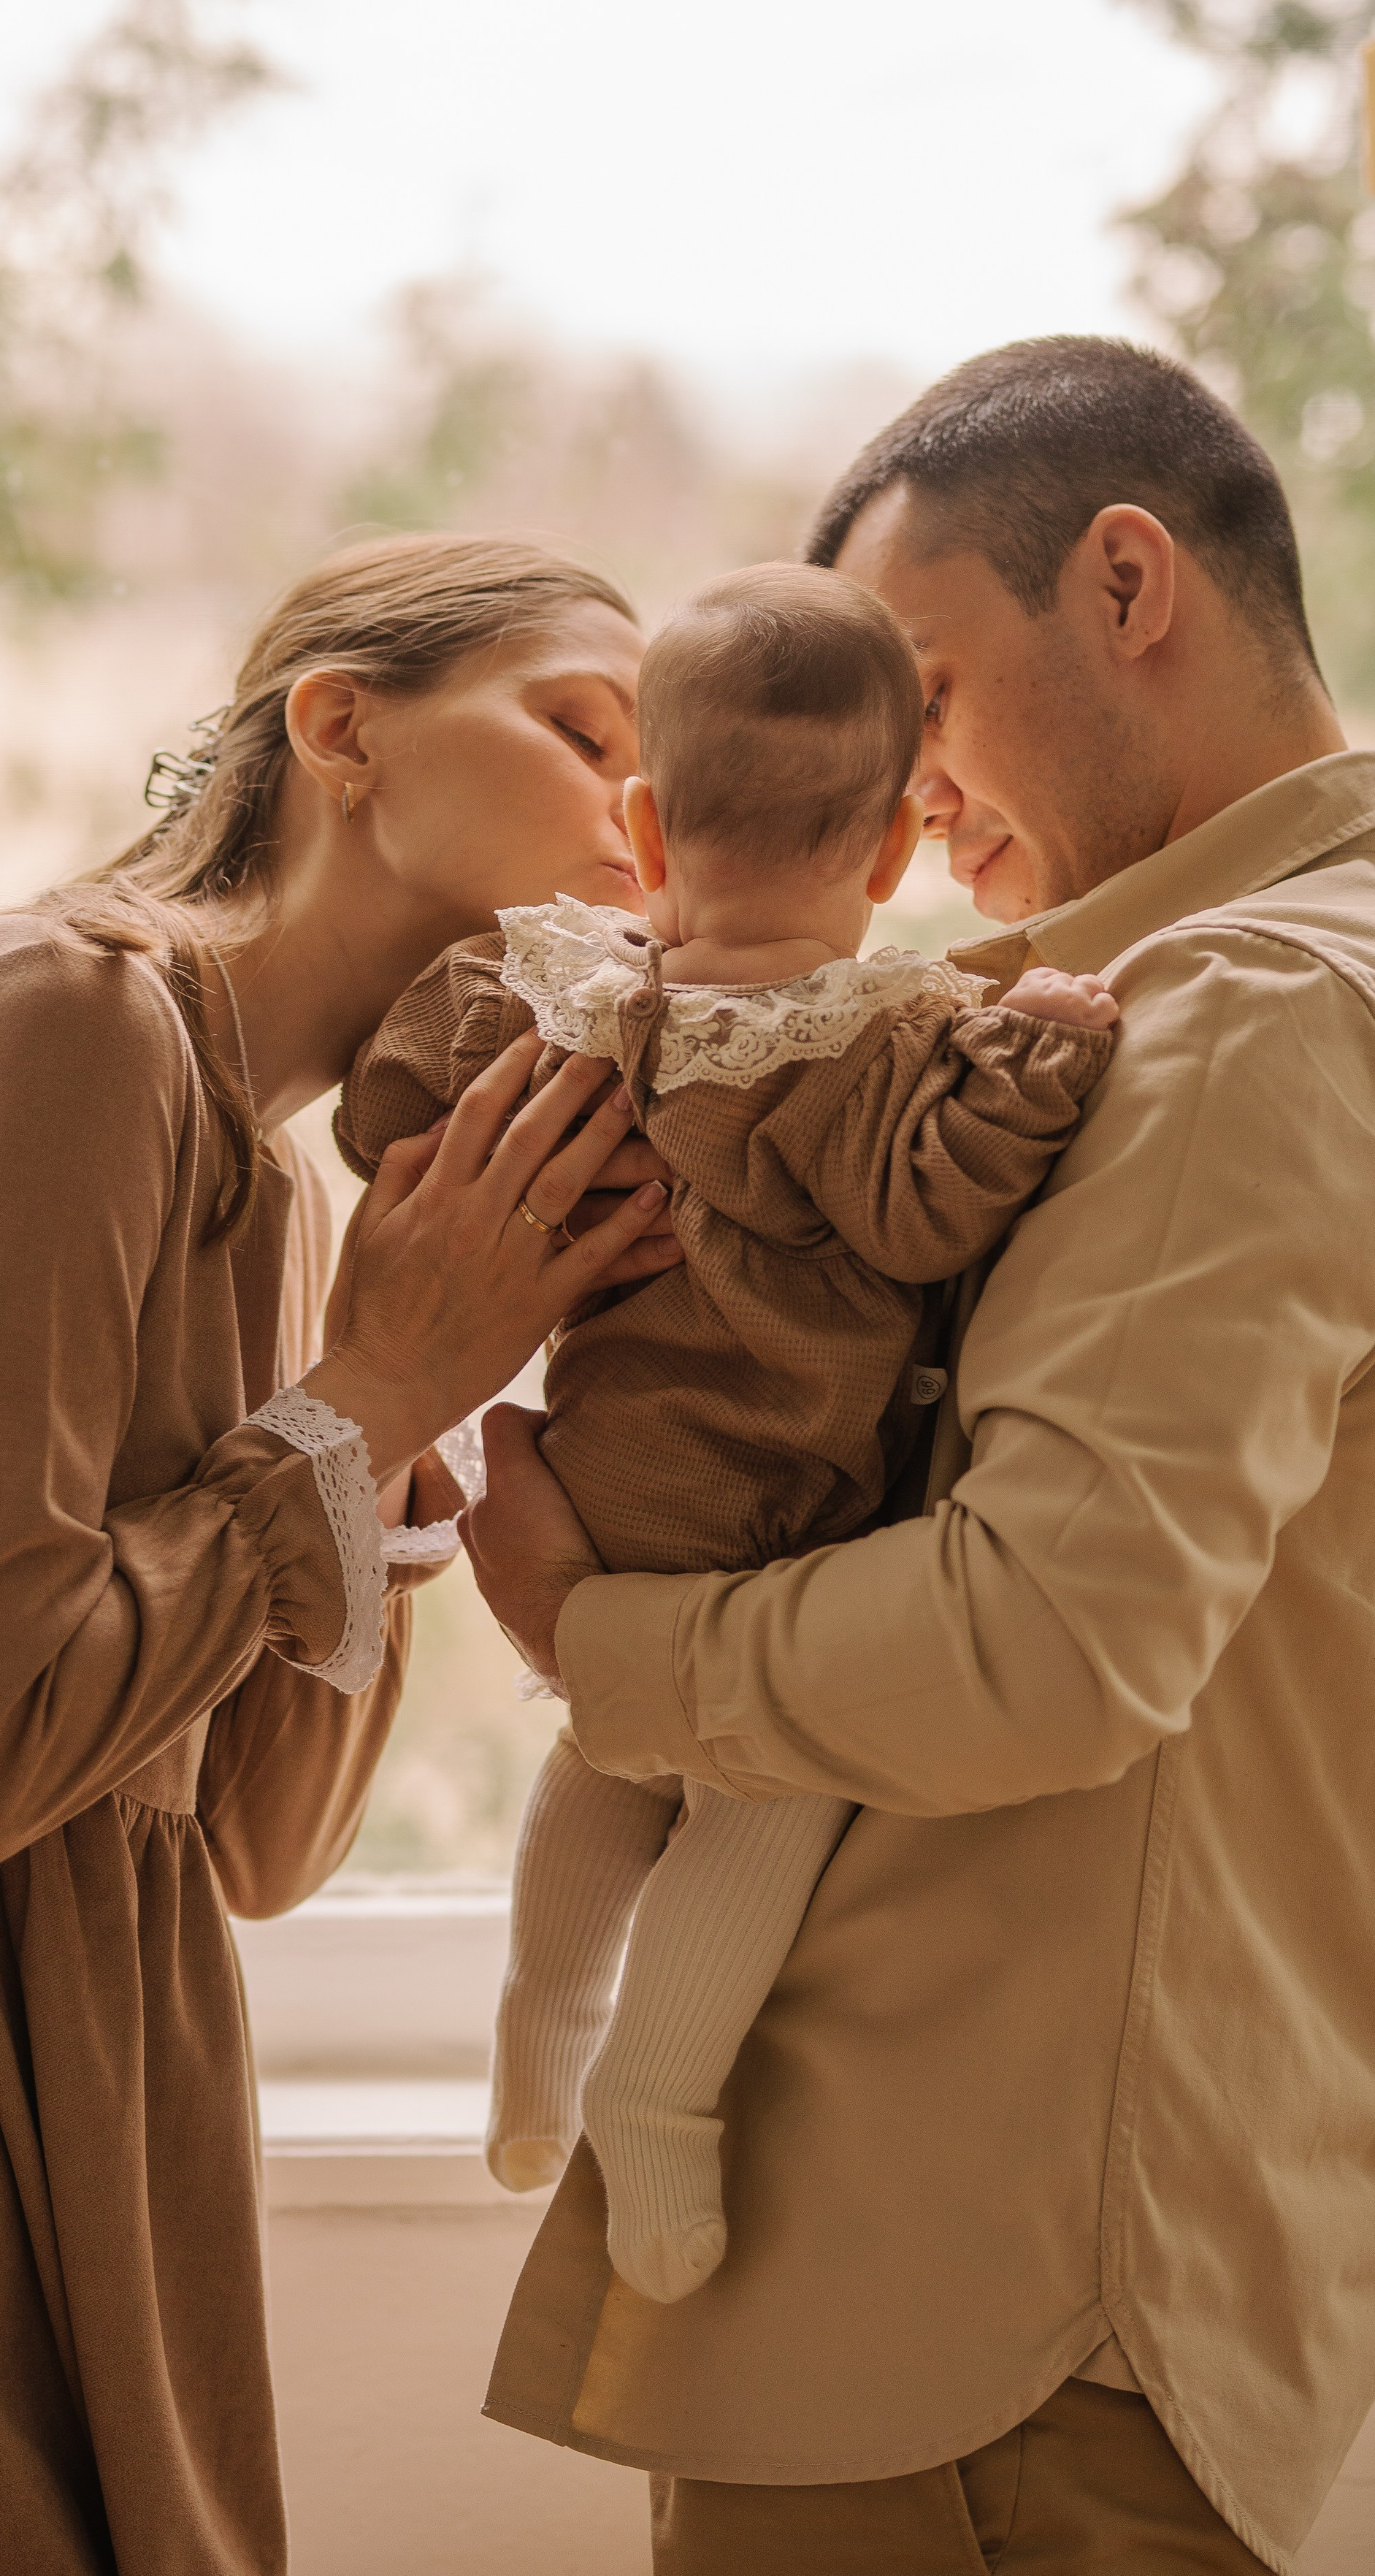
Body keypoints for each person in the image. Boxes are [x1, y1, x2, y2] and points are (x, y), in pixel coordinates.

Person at [461, 340, 1375, 2575]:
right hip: (990, 2312)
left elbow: (1043, 1646)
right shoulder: (1284, 997)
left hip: (992, 2342)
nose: (901, 795)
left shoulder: (1258, 1015)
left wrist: (589, 1635)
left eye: (921, 699)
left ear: (1127, 585)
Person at [0, 531, 682, 2576]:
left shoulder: (270, 1190)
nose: (643, 824)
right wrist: (367, 1397)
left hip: (78, 2102)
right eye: (583, 732)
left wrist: (400, 1420)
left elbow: (254, 1842)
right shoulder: (57, 1021)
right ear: (341, 729)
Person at [336, 562, 1115, 2308]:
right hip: (770, 1507)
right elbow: (924, 1213)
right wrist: (1035, 1069)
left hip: (596, 1477)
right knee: (761, 1802)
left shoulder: (570, 994)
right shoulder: (887, 1038)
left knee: (600, 1766)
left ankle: (535, 2039)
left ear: (642, 829)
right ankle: (651, 2096)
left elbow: (389, 1106)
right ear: (892, 850)